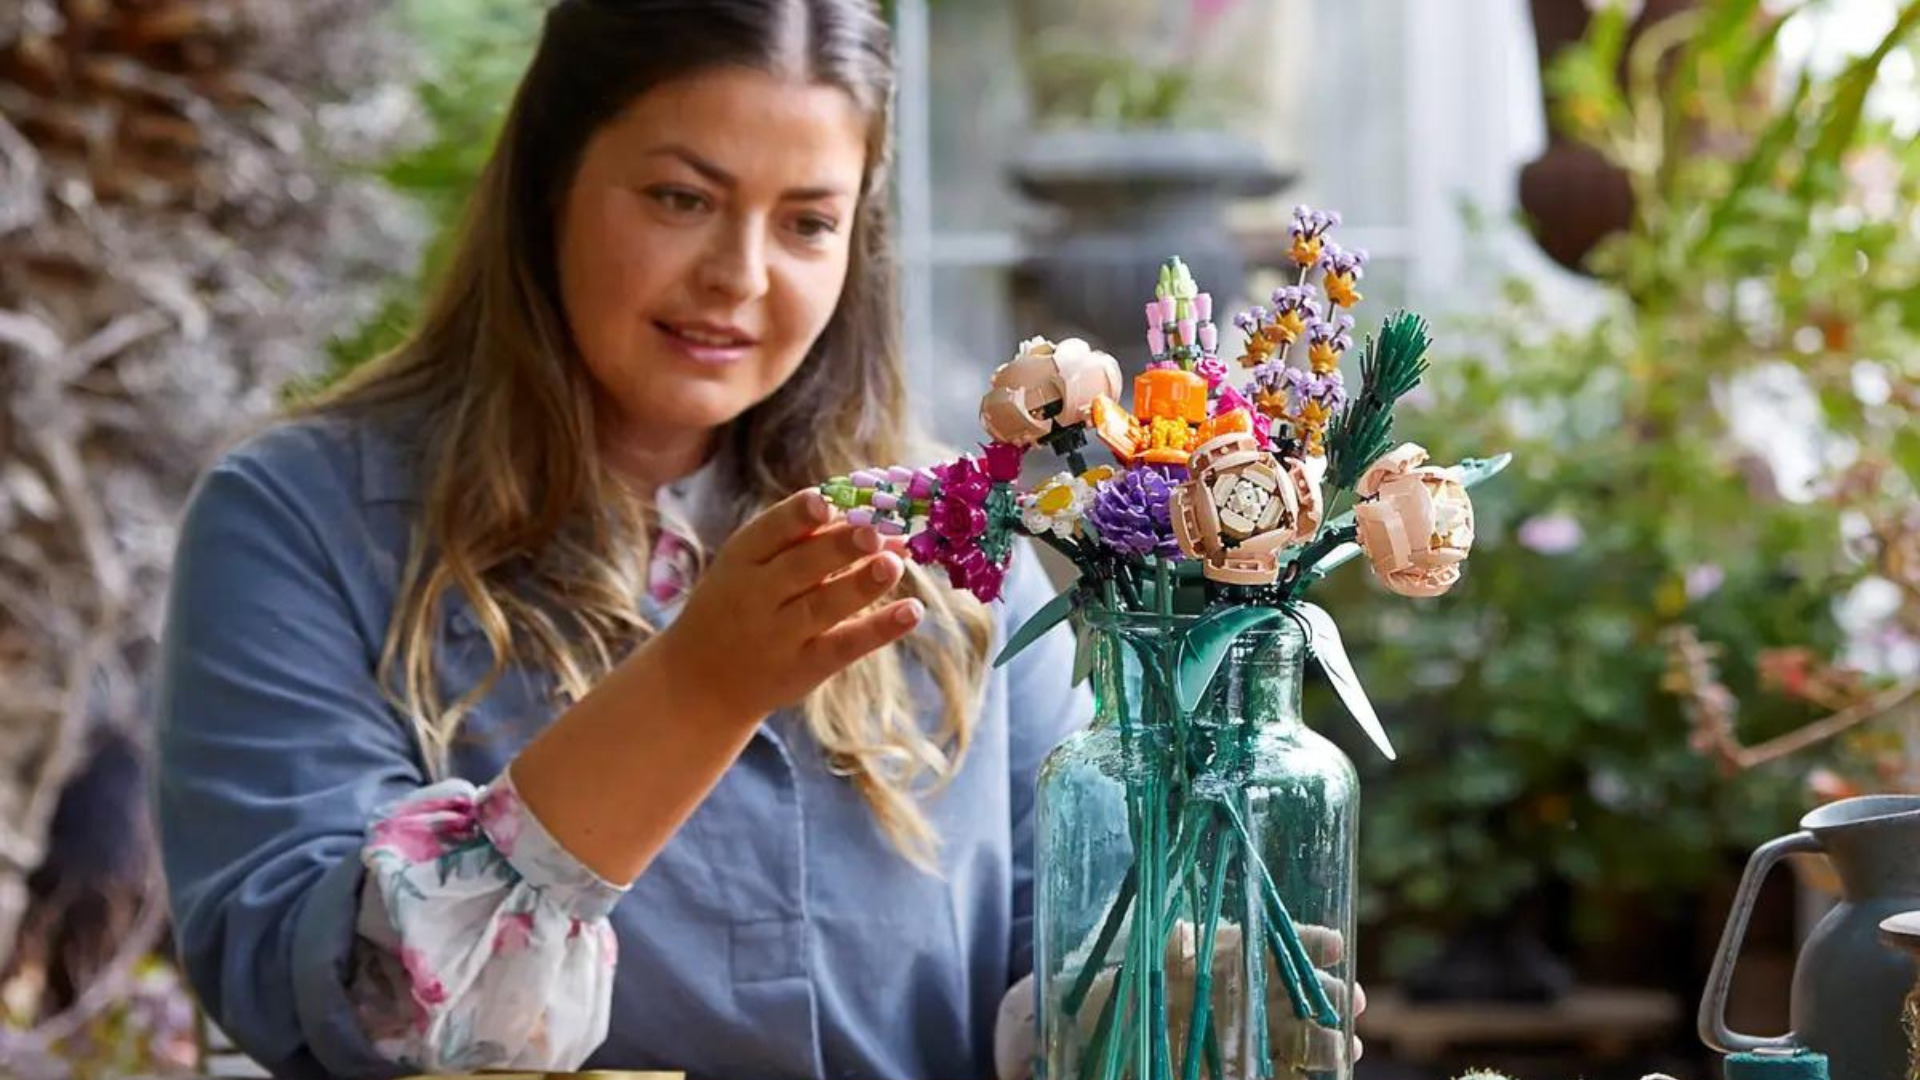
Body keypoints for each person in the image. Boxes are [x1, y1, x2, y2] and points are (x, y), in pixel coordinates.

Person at [155, 3, 1358, 1078]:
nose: (739, 276)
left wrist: (1163, 1007)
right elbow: (342, 1007)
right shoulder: (299, 522)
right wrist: (697, 687)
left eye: (806, 223)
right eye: (681, 198)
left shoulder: (956, 546)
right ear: (547, 186)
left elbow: (1053, 966)